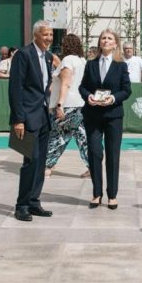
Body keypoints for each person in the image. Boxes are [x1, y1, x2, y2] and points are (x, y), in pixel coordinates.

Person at [79, 29, 131, 210]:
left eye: (109, 38)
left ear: (115, 43)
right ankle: (96, 193)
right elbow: (82, 87)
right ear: (99, 42)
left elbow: (126, 90)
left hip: (113, 116)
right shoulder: (90, 64)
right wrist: (88, 96)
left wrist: (113, 98)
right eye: (103, 38)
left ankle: (112, 195)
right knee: (94, 153)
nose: (106, 41)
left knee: (112, 155)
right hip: (92, 115)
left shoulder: (121, 66)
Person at [9, 22, 55, 222]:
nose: (49, 38)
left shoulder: (48, 57)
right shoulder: (23, 54)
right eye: (45, 34)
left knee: (41, 161)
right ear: (35, 35)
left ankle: (34, 201)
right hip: (27, 117)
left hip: (44, 116)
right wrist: (18, 119)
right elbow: (15, 88)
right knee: (30, 161)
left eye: (51, 34)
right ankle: (22, 205)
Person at [45, 33, 90, 178]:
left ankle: (47, 167)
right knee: (83, 138)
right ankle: (93, 168)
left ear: (66, 45)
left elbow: (66, 83)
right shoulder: (82, 61)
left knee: (57, 136)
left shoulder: (68, 60)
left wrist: (59, 104)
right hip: (81, 104)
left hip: (68, 104)